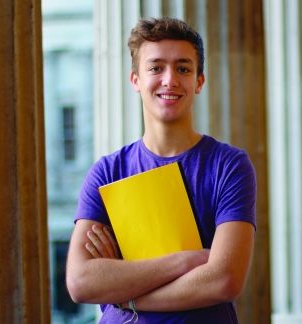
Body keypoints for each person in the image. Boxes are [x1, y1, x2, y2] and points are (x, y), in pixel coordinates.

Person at [66, 17, 257, 323]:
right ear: (136, 80)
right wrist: (189, 260)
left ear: (199, 81)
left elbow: (224, 280)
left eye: (183, 68)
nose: (170, 80)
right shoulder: (106, 172)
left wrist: (124, 292)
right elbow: (81, 282)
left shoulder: (229, 165)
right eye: (156, 68)